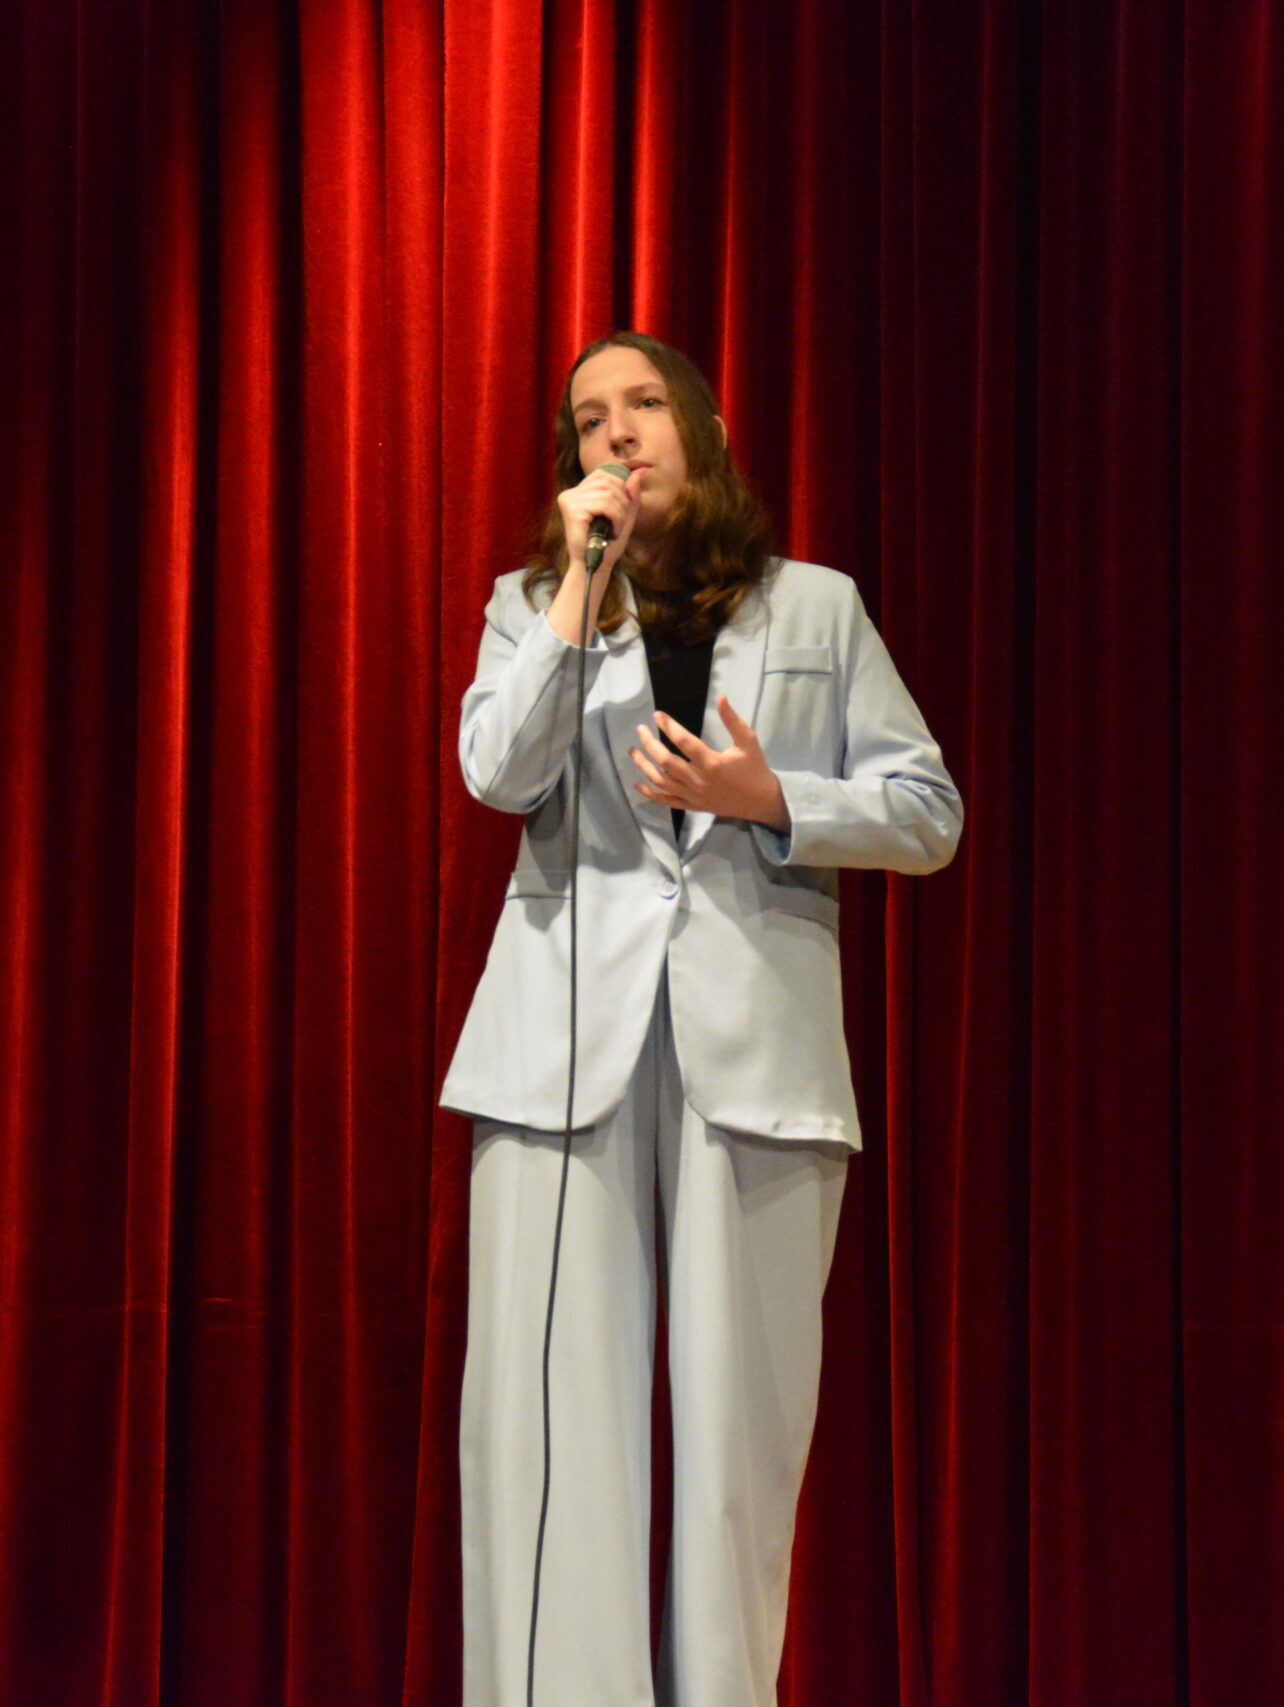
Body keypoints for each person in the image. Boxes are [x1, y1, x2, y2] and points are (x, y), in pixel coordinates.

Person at [442, 331, 961, 1706]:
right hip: (560, 1065)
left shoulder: (817, 608)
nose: (617, 434)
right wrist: (579, 588)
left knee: (737, 1452)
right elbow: (497, 770)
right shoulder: (532, 605)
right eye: (587, 420)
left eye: (644, 405)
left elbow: (928, 812)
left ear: (705, 433)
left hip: (758, 1063)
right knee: (548, 1445)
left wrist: (772, 799)